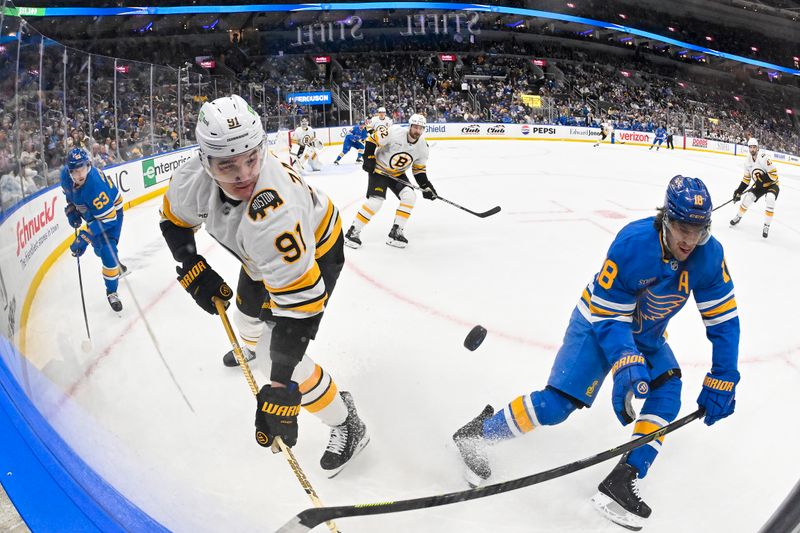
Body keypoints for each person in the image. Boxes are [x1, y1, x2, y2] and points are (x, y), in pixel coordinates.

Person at [453, 175, 739, 531]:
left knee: (668, 390)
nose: (690, 240)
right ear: (666, 218)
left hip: (647, 332)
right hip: (598, 323)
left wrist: (725, 375)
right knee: (557, 406)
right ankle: (478, 436)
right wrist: (624, 361)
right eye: (683, 227)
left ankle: (623, 478)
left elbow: (724, 321)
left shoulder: (709, 256)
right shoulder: (633, 244)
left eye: (699, 230)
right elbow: (609, 315)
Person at [159, 95, 368, 475]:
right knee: (244, 317)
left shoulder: (276, 218)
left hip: (315, 251)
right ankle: (255, 351)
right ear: (204, 161)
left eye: (252, 159)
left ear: (262, 148)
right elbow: (173, 221)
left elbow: (299, 314)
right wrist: (191, 261)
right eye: (228, 164)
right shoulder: (190, 180)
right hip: (259, 257)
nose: (243, 174)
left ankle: (346, 422)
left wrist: (278, 384)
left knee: (283, 353)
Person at [344, 114, 436, 249]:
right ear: (410, 126)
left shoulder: (423, 147)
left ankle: (396, 232)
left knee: (410, 196)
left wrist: (426, 186)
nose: (418, 131)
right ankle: (353, 232)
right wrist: (369, 158)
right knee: (376, 202)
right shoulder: (394, 132)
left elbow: (418, 170)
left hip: (397, 174)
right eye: (415, 127)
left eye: (421, 128)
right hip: (379, 170)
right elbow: (371, 139)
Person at [61, 147, 126, 312]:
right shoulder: (65, 177)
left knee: (107, 251)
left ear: (88, 165)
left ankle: (112, 292)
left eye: (82, 168)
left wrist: (86, 236)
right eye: (74, 171)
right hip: (92, 212)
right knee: (98, 249)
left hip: (112, 215)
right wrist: (72, 210)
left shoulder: (95, 186)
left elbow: (109, 219)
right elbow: (70, 197)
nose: (79, 175)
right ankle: (115, 261)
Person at [730, 137, 779, 238]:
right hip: (760, 185)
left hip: (772, 184)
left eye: (754, 147)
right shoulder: (747, 162)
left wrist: (761, 180)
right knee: (747, 198)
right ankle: (738, 216)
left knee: (770, 199)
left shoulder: (763, 157)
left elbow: (774, 174)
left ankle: (766, 225)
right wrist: (739, 191)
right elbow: (746, 179)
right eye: (750, 147)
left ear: (757, 148)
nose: (752, 149)